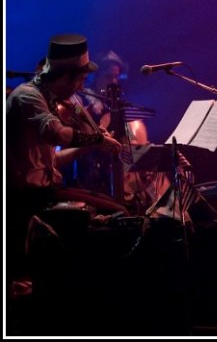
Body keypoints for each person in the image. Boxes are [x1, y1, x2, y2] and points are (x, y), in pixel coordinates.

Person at [6, 34, 129, 279]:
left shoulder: (47, 99)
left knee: (118, 212)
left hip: (43, 193)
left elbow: (53, 161)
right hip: (22, 199)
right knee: (114, 217)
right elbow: (58, 134)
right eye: (81, 79)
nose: (82, 88)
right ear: (64, 77)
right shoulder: (28, 97)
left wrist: (88, 147)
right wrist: (95, 138)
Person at [67, 50, 167, 215]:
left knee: (160, 177)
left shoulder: (113, 106)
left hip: (122, 173)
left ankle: (175, 214)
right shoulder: (82, 104)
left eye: (116, 77)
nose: (114, 82)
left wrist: (142, 152)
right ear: (94, 77)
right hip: (95, 175)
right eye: (108, 77)